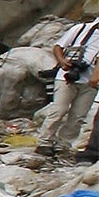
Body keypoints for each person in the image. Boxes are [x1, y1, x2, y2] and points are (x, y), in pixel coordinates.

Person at [37, 18, 99, 159]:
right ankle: (44, 142)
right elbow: (58, 47)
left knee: (78, 116)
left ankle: (63, 145)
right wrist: (62, 62)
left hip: (90, 83)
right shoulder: (81, 29)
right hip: (66, 77)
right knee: (58, 110)